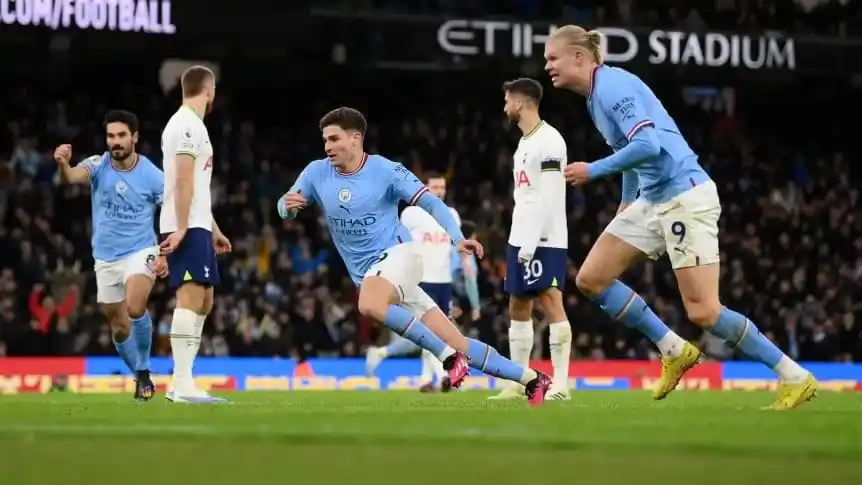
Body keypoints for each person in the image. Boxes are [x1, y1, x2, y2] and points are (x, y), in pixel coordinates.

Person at [545, 25, 816, 409]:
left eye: (552, 58)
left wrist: (593, 170)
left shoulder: (612, 87)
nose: (547, 66)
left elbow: (648, 144)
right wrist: (626, 204)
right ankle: (673, 349)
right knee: (592, 279)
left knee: (704, 311)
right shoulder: (594, 96)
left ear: (579, 57)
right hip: (653, 198)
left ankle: (795, 376)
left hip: (684, 195)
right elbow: (632, 155)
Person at [278, 107, 552, 406]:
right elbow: (286, 204)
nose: (328, 147)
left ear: (356, 139)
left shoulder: (386, 171)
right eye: (325, 140)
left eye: (334, 139)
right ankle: (532, 379)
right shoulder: (317, 172)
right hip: (375, 275)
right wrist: (287, 207)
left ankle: (448, 359)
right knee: (458, 340)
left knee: (369, 305)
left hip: (401, 256)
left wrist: (458, 238)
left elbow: (432, 203)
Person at [53, 109, 166, 401]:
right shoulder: (98, 164)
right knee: (117, 326)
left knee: (135, 306)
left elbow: (174, 210)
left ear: (135, 138)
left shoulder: (152, 174)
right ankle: (140, 375)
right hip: (105, 258)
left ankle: (144, 369)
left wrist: (167, 249)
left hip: (141, 249)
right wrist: (63, 164)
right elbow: (70, 178)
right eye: (111, 136)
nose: (115, 142)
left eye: (121, 136)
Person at [489, 78, 572, 401]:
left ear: (521, 103)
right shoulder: (524, 143)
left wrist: (533, 241)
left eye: (508, 100)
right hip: (521, 235)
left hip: (546, 237)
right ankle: (520, 380)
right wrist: (521, 239)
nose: (505, 106)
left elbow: (551, 194)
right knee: (518, 305)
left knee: (551, 300)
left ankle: (561, 384)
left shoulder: (550, 141)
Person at [159, 65, 232, 404]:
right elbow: (184, 180)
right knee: (190, 296)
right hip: (185, 222)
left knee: (204, 299)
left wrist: (213, 229)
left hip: (197, 222)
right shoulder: (187, 125)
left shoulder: (192, 125)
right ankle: (181, 384)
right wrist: (185, 227)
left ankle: (183, 380)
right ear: (209, 90)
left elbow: (198, 187)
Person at [365, 173, 473, 393]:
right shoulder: (412, 213)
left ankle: (426, 379)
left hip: (444, 281)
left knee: (436, 332)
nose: (439, 191)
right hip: (422, 279)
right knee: (433, 332)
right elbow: (397, 240)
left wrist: (463, 264)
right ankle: (444, 375)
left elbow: (452, 248)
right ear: (425, 187)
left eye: (442, 187)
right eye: (434, 187)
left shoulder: (451, 214)